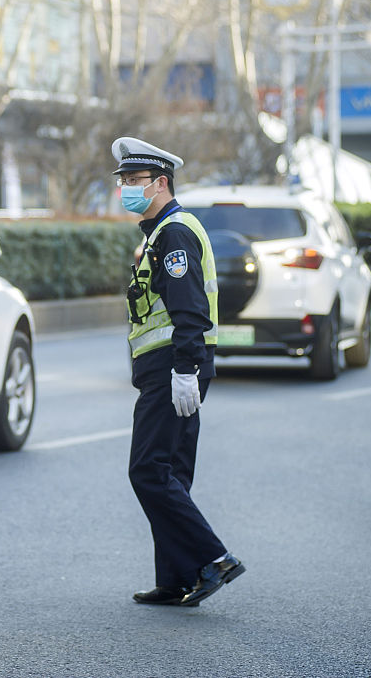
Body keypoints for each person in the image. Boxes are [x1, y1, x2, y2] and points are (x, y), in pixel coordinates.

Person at [112, 136, 245, 609]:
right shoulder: (158, 234)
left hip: (174, 365)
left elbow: (190, 309)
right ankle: (176, 578)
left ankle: (214, 559)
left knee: (147, 471)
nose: (126, 188)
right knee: (171, 472)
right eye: (123, 180)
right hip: (168, 366)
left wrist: (185, 369)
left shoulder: (175, 234)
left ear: (160, 183)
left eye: (134, 180)